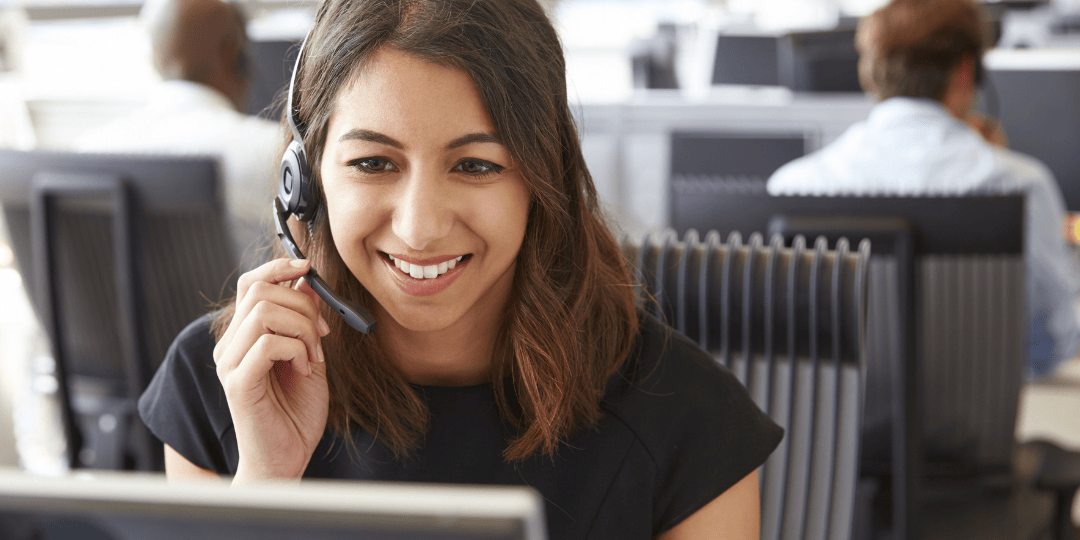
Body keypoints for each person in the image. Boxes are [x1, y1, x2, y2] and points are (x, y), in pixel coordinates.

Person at [137, 0, 783, 538]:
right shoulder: (221, 385)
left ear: (542, 181)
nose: (420, 227)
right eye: (373, 163)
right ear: (302, 181)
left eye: (476, 165)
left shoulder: (689, 425)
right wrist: (264, 487)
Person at [768, 0, 1080, 378]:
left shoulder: (795, 186)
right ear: (967, 72)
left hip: (837, 430)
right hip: (977, 428)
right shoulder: (1016, 183)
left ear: (869, 72)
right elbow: (1052, 341)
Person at [74, 0, 281, 270]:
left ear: (155, 56)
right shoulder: (274, 151)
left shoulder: (88, 153)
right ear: (234, 54)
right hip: (238, 312)